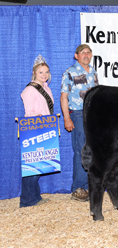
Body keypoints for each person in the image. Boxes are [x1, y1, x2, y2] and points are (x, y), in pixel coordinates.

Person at [61, 44, 99, 202]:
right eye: (83, 53)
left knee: (93, 150)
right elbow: (64, 96)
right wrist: (66, 118)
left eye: (88, 52)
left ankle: (90, 185)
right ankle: (78, 188)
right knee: (81, 150)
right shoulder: (70, 72)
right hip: (77, 114)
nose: (86, 55)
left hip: (94, 116)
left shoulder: (93, 72)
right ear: (76, 56)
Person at [20, 55, 53, 207]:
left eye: (46, 72)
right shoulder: (29, 90)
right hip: (35, 128)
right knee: (33, 165)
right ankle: (27, 200)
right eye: (41, 72)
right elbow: (29, 112)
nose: (44, 75)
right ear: (34, 72)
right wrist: (37, 116)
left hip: (46, 127)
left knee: (39, 163)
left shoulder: (46, 88)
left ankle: (35, 196)